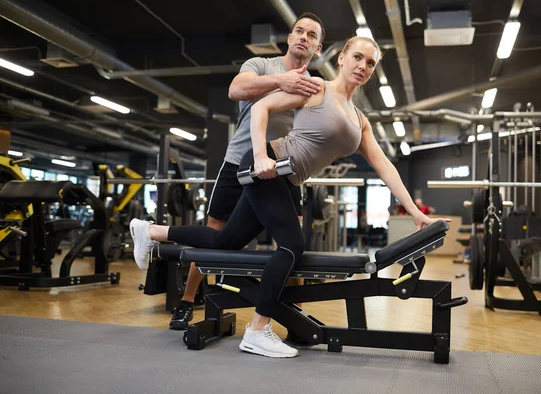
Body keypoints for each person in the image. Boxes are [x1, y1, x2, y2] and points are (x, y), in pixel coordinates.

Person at [130, 35, 448, 358]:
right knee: (291, 245)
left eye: (370, 63)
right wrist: (259, 156)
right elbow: (261, 107)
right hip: (267, 167)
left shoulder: (360, 121)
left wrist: (415, 212)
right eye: (357, 58)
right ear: (341, 59)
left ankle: (151, 232)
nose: (362, 66)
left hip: (285, 181)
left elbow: (386, 168)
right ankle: (257, 329)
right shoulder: (316, 89)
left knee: (224, 241)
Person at [164, 13, 325, 331]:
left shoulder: (315, 85)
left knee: (292, 241)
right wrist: (282, 81)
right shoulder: (262, 65)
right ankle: (187, 301)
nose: (303, 37)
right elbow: (236, 90)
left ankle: (297, 312)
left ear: (318, 47)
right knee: (214, 236)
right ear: (289, 38)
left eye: (311, 35)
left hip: (282, 171)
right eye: (299, 31)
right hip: (240, 163)